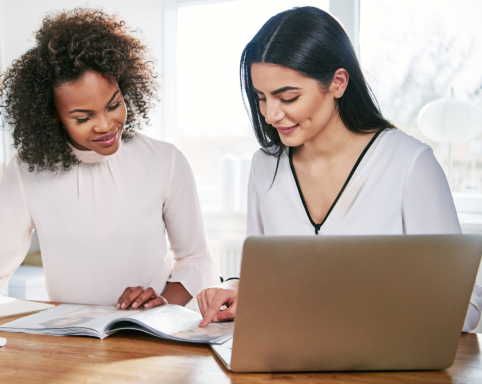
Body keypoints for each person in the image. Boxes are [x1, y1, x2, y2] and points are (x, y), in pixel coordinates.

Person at [0, 8, 219, 310]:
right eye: (83, 118)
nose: (105, 125)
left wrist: (161, 302)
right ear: (52, 115)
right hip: (70, 344)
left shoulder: (165, 161)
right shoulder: (27, 173)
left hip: (150, 339)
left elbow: (195, 258)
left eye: (114, 105)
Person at [196, 6, 482, 332]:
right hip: (287, 363)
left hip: (383, 366)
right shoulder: (265, 166)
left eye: (287, 97)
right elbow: (264, 277)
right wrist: (236, 289)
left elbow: (465, 304)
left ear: (338, 83)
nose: (270, 114)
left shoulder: (409, 164)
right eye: (260, 97)